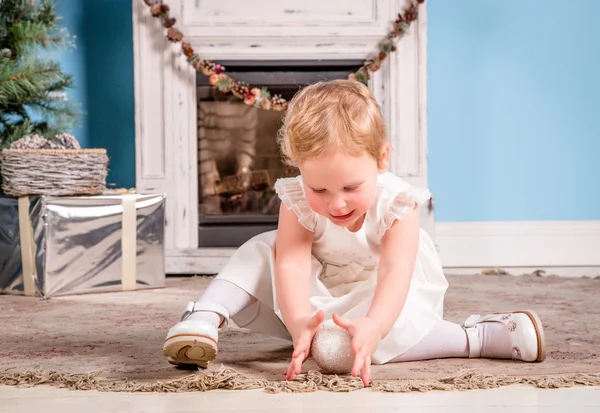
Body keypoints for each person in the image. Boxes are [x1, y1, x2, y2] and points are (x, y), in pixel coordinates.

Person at [163, 79, 546, 387]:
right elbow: (293, 264)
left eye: (350, 188)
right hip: (316, 295)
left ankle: (474, 339)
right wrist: (299, 323)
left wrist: (375, 327)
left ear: (381, 158)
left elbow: (397, 273)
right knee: (264, 248)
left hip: (382, 296)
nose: (336, 205)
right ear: (300, 170)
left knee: (338, 353)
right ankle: (204, 318)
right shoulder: (296, 198)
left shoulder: (399, 203)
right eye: (320, 190)